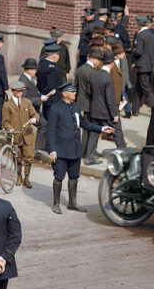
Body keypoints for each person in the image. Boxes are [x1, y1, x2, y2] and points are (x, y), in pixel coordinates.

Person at [46, 83, 112, 215]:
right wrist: (52, 150)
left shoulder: (75, 107)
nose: (75, 93)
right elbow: (50, 131)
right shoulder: (55, 109)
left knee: (74, 177)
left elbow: (83, 123)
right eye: (72, 91)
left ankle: (72, 203)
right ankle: (56, 204)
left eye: (75, 91)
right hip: (61, 150)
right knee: (59, 176)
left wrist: (101, 129)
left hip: (75, 150)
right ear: (64, 93)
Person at [2, 79, 37, 189]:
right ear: (12, 91)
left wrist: (35, 118)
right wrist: (10, 129)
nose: (20, 93)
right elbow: (5, 122)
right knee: (17, 158)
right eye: (17, 91)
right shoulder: (7, 105)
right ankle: (18, 176)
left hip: (27, 134)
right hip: (15, 135)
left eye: (22, 91)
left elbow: (34, 113)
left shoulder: (27, 102)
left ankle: (26, 178)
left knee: (29, 157)